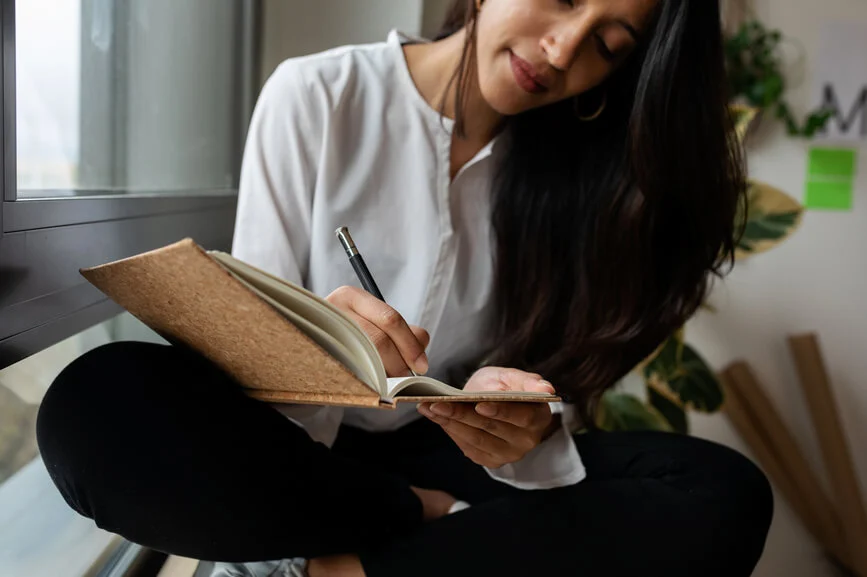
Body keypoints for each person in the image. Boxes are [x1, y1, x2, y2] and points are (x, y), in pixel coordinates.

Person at [36, 1, 774, 576]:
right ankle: (421, 521)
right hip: (295, 458)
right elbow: (250, 379)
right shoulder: (318, 95)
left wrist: (519, 423)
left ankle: (336, 565)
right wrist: (312, 337)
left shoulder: (575, 185)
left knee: (721, 490)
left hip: (440, 450)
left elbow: (545, 428)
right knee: (90, 405)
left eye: (608, 46)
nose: (561, 49)